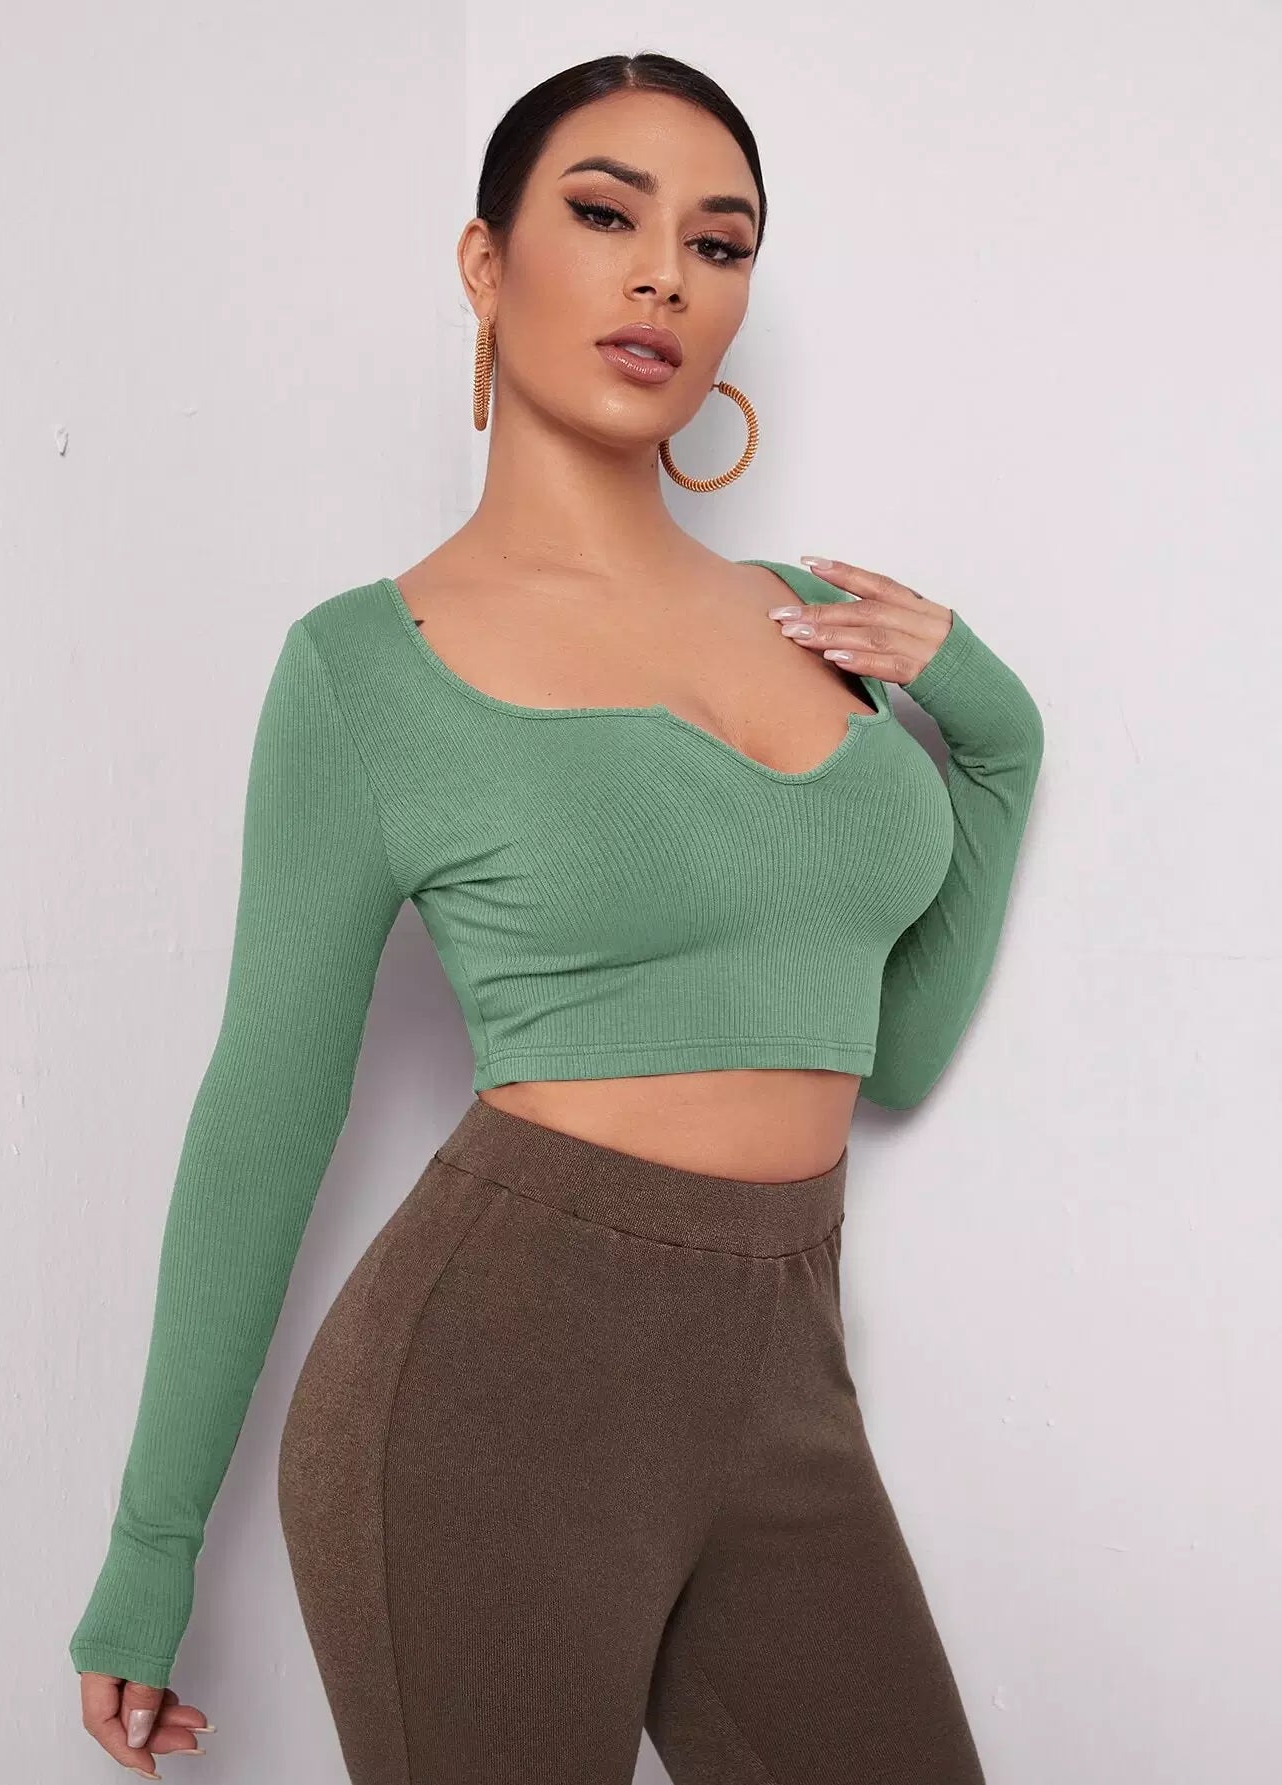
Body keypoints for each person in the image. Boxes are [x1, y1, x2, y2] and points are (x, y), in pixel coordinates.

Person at [71, 50, 1043, 1785]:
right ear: (487, 261)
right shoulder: (368, 668)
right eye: (606, 216)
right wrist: (151, 1550)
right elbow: (266, 1108)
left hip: (787, 1373)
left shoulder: (821, 627)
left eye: (718, 244)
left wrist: (1001, 732)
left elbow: (882, 1049)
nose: (665, 275)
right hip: (486, 1396)